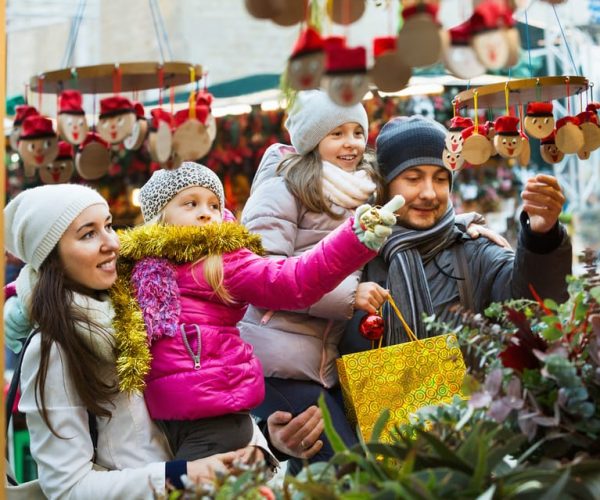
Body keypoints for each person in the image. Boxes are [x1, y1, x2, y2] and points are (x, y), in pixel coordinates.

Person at [114, 161, 395, 463]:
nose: (205, 212)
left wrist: (352, 240)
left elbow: (294, 279)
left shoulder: (222, 261)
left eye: (213, 204)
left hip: (216, 419)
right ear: (159, 216)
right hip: (167, 420)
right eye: (190, 203)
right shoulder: (138, 270)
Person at [3, 184, 248, 499]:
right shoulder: (54, 348)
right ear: (52, 257)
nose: (112, 243)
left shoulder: (142, 305)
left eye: (107, 226)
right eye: (88, 234)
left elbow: (200, 404)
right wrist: (180, 475)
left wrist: (262, 446)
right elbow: (66, 487)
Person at [237, 90, 391, 473]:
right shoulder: (281, 188)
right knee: (345, 464)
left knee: (327, 464)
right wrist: (349, 295)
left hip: (313, 362)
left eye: (357, 131)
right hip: (272, 360)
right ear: (311, 140)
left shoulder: (357, 192)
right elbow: (260, 276)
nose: (351, 143)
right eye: (337, 133)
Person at [344, 115, 572, 353]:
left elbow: (532, 308)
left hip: (468, 390)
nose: (430, 193)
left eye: (441, 179)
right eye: (413, 178)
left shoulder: (475, 250)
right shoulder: (353, 255)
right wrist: (347, 299)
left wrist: (541, 237)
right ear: (385, 185)